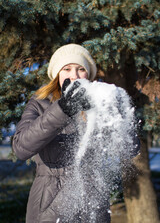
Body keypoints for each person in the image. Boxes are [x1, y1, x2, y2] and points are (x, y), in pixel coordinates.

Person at [12, 43, 111, 223]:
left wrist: (115, 111)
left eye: (81, 69)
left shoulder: (100, 102)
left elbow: (129, 147)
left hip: (93, 203)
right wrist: (62, 109)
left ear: (88, 74)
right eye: (67, 69)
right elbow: (21, 148)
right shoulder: (39, 103)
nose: (74, 75)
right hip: (50, 203)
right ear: (57, 74)